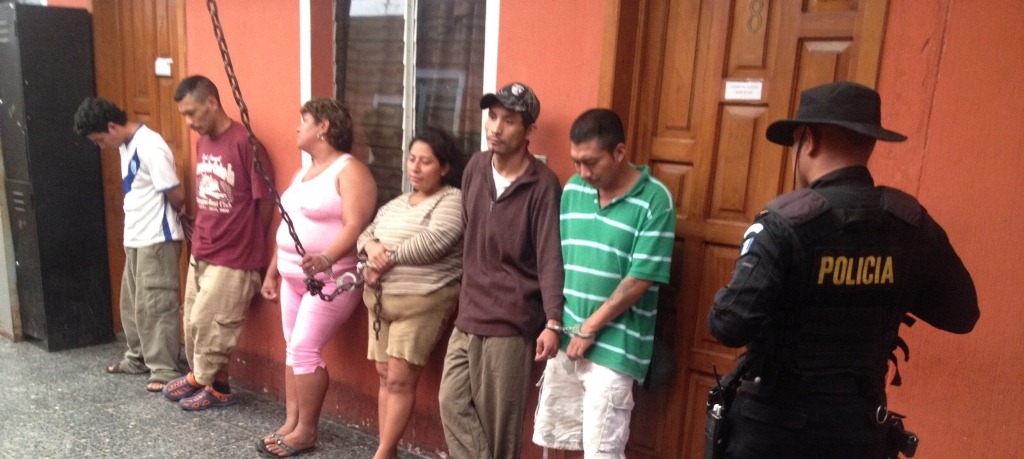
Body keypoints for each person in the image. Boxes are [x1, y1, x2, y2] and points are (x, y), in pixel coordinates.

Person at [706, 81, 980, 458]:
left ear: (809, 139)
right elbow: (962, 314)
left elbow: (728, 325)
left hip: (772, 433)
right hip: (858, 432)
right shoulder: (911, 224)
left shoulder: (783, 222)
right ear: (868, 144)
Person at [532, 108, 676, 458]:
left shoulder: (655, 200)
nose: (583, 172)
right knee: (557, 438)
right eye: (576, 162)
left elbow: (640, 277)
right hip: (567, 334)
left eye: (591, 162)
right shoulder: (573, 192)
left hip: (617, 345)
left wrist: (590, 327)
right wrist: (553, 322)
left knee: (602, 451)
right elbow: (559, 263)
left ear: (620, 152)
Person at [437, 82, 564, 459]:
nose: (496, 127)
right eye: (492, 117)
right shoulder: (475, 167)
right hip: (470, 312)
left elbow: (549, 256)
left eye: (509, 120)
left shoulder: (542, 184)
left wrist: (553, 320)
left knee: (500, 431)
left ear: (529, 131)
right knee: (451, 403)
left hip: (511, 321)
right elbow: (467, 235)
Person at [256, 98, 377, 457]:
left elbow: (356, 224)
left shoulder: (349, 170)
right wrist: (272, 270)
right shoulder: (303, 172)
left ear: (323, 127)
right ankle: (291, 423)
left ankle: (307, 431)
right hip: (292, 276)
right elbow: (288, 224)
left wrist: (326, 257)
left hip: (331, 279)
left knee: (306, 349)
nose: (298, 126)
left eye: (304, 120)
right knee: (293, 348)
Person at [161, 75, 275, 411]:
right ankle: (219, 388)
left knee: (211, 323)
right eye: (184, 115)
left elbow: (265, 201)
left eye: (192, 113)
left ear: (212, 101)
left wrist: (251, 244)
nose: (189, 122)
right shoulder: (202, 143)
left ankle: (198, 377)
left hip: (235, 255)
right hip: (203, 248)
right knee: (196, 322)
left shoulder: (246, 143)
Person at [357, 127, 464, 459]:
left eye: (426, 162)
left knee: (401, 379)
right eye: (412, 159)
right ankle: (386, 451)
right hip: (379, 305)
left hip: (421, 304)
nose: (415, 168)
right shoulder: (395, 204)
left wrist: (383, 259)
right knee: (385, 375)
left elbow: (433, 243)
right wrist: (372, 248)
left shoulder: (452, 200)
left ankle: (384, 452)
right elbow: (364, 236)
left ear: (444, 167)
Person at [73, 97, 186, 393]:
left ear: (112, 127)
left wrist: (180, 219)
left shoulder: (151, 145)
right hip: (135, 237)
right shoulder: (126, 144)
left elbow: (176, 194)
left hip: (157, 239)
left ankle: (163, 368)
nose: (101, 146)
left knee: (156, 304)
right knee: (133, 303)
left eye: (100, 139)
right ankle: (137, 358)